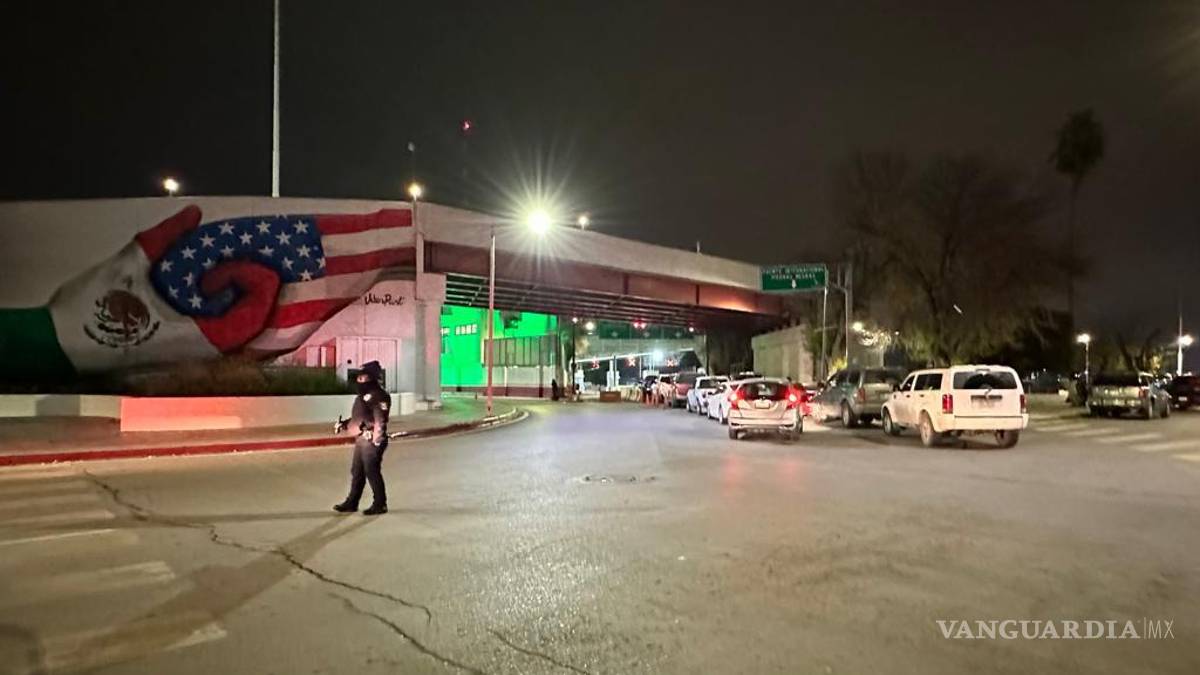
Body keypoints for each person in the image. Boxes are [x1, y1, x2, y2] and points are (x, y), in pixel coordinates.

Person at [333, 361, 391, 516]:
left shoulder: (379, 395)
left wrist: (377, 440)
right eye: (358, 377)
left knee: (372, 472)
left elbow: (380, 419)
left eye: (362, 377)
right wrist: (345, 425)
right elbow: (359, 418)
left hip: (371, 440)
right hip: (361, 439)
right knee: (357, 471)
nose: (359, 380)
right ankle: (352, 502)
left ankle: (380, 504)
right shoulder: (362, 396)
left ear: (371, 378)